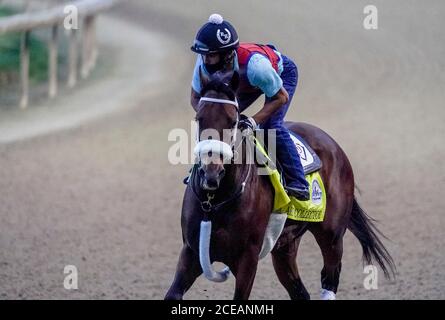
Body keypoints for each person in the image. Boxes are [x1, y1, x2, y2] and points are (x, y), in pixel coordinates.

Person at [190, 13, 309, 201]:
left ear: (226, 55)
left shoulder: (256, 68)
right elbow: (195, 98)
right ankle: (202, 171)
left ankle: (298, 182)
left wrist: (253, 121)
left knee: (270, 127)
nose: (205, 60)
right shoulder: (205, 59)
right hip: (243, 82)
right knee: (217, 120)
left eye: (210, 56)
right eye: (203, 55)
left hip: (279, 77)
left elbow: (280, 97)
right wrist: (209, 115)